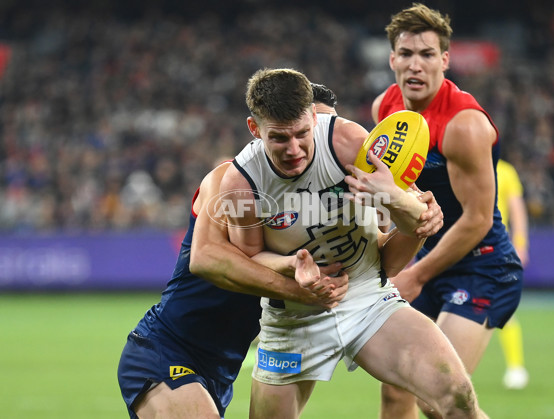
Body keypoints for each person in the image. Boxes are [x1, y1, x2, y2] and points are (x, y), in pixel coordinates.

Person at [220, 67, 488, 418]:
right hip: (293, 318)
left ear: (313, 116)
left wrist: (411, 209)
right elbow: (250, 255)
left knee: (457, 398)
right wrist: (290, 267)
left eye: (302, 133)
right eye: (279, 139)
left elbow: (411, 217)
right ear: (255, 129)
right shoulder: (240, 184)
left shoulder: (346, 141)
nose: (294, 149)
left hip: (368, 298)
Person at [371, 4, 524, 418]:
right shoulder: (385, 109)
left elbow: (477, 219)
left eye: (426, 54)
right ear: (392, 60)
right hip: (423, 259)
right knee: (395, 392)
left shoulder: (464, 124)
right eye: (406, 54)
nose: (415, 65)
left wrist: (415, 275)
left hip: (482, 266)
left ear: (445, 60)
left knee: (440, 401)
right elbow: (388, 194)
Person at [117, 160, 350, 419]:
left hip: (220, 375)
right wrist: (295, 285)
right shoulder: (229, 182)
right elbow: (206, 259)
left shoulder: (310, 212)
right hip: (164, 350)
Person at [496, 158, 530, 390]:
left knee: (504, 308)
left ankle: (516, 367)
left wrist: (520, 244)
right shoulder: (504, 169)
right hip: (463, 245)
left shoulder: (505, 171)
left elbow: (517, 210)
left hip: (496, 249)